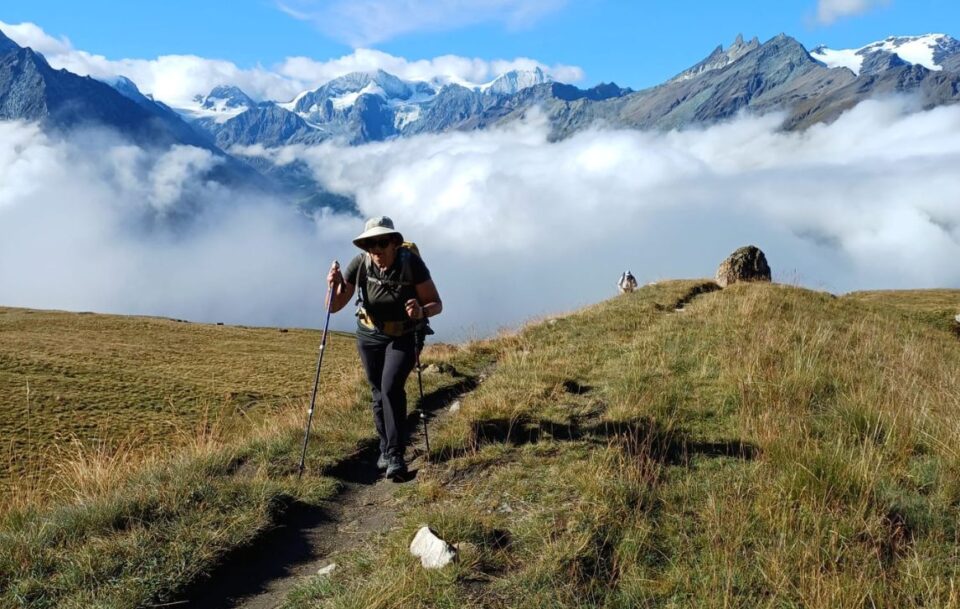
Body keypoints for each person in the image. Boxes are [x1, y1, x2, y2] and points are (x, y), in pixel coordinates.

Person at [326, 216, 442, 481]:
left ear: (393, 242)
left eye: (381, 242)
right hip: (369, 334)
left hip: (405, 334)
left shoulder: (411, 263)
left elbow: (436, 303)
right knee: (378, 390)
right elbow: (332, 306)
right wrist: (331, 285)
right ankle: (385, 448)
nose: (375, 249)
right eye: (369, 244)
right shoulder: (361, 264)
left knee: (390, 387)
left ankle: (395, 455)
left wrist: (421, 311)